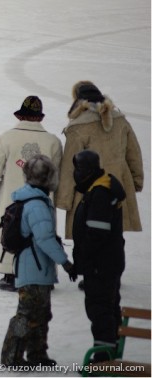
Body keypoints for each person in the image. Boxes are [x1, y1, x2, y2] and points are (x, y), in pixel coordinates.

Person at [0, 154, 77, 368]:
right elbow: (44, 239)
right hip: (33, 269)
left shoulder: (34, 200)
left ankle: (37, 354)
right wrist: (65, 262)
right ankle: (12, 356)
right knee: (26, 314)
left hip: (36, 269)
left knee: (41, 314)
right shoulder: (37, 205)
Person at [0, 96, 63, 291]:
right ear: (39, 118)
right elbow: (57, 176)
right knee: (41, 232)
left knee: (13, 229)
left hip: (13, 199)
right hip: (42, 199)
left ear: (20, 115)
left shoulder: (6, 138)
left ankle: (11, 273)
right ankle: (41, 274)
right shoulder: (52, 142)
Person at [55, 81, 143, 240]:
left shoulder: (78, 127)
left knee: (88, 237)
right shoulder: (121, 121)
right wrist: (136, 181)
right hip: (118, 186)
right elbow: (134, 154)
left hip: (88, 192)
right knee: (114, 234)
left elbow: (70, 166)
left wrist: (64, 199)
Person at [71, 150, 126, 361]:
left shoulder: (101, 192)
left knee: (100, 310)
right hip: (105, 262)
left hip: (101, 264)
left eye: (79, 169)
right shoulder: (99, 187)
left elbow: (96, 234)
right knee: (107, 307)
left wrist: (82, 260)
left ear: (87, 171)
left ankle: (103, 357)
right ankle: (110, 351)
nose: (76, 173)